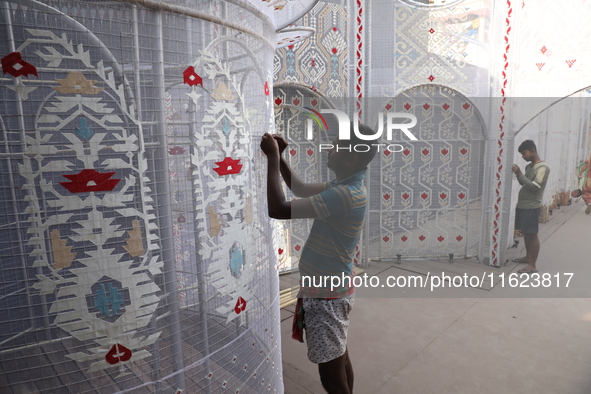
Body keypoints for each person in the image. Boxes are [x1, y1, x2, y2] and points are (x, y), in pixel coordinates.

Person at [260, 124, 377, 394]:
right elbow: (299, 188)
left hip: (327, 297)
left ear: (350, 158)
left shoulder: (343, 195)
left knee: (331, 375)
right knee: (339, 356)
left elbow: (277, 209)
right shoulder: (348, 186)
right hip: (335, 289)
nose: (329, 150)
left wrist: (274, 158)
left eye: (335, 147)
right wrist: (281, 159)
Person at [511, 140, 550, 274]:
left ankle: (532, 265)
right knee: (527, 233)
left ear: (532, 151)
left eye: (524, 153)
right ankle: (528, 257)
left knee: (532, 234)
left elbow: (535, 187)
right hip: (523, 204)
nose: (523, 156)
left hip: (532, 206)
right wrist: (520, 175)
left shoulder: (542, 168)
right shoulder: (529, 167)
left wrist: (519, 174)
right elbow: (525, 184)